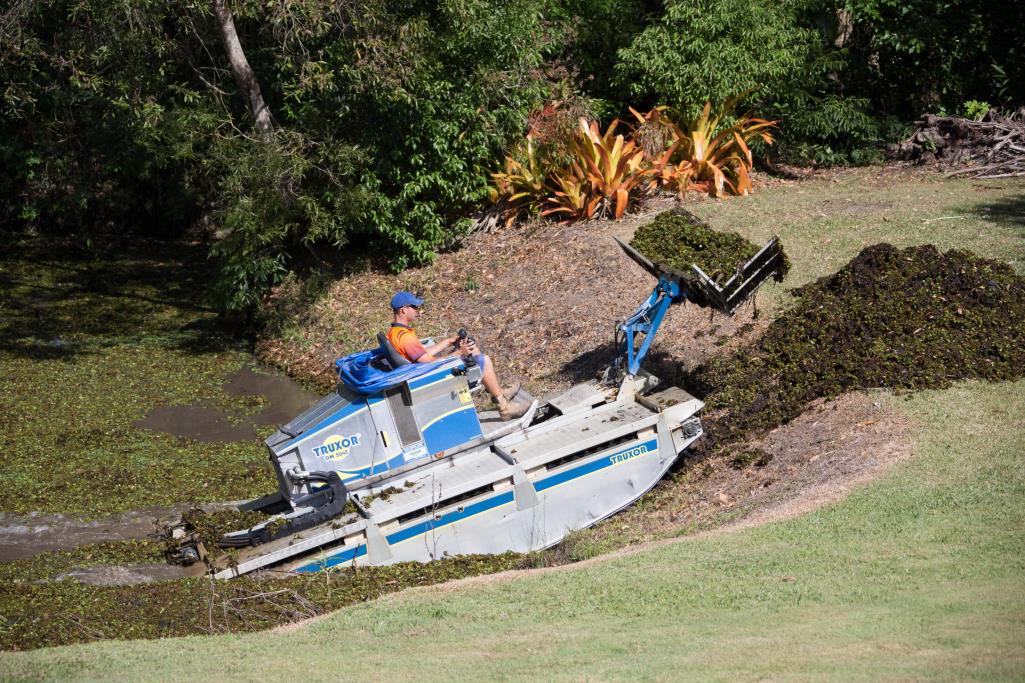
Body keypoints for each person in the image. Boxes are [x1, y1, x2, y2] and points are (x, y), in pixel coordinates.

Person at [386, 291, 529, 420]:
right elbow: (428, 363)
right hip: (438, 378)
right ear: (404, 310)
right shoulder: (405, 338)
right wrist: (459, 353)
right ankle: (505, 408)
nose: (418, 311)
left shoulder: (395, 332)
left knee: (473, 351)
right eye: (415, 307)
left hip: (424, 372)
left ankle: (499, 394)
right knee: (482, 361)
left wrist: (447, 342)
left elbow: (422, 354)